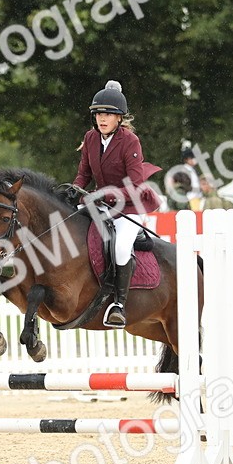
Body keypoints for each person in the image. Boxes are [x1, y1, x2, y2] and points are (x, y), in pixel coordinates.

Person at [72, 80, 162, 328]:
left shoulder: (130, 141)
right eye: (99, 114)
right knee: (71, 226)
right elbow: (84, 174)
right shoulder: (91, 138)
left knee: (121, 246)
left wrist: (105, 195)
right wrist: (74, 189)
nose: (102, 118)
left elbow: (135, 185)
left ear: (119, 118)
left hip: (128, 207)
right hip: (100, 204)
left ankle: (119, 304)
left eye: (108, 114)